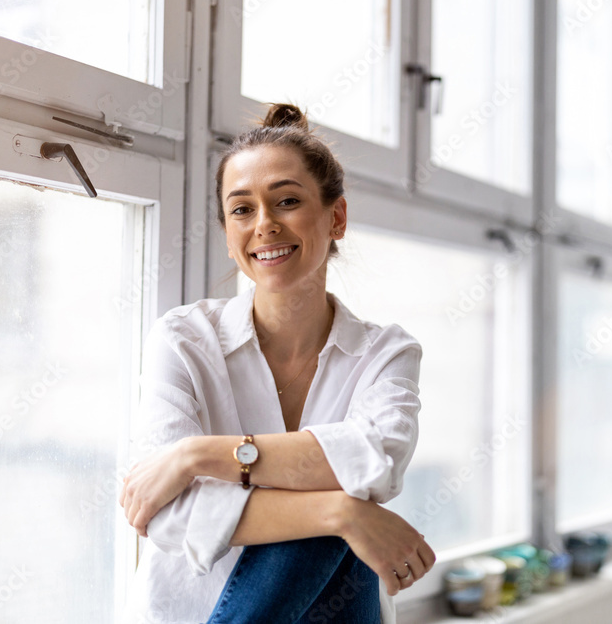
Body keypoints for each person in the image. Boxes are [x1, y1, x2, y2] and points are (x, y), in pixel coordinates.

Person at [118, 103, 436, 624]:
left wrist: (198, 456)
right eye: (242, 209)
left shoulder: (386, 353)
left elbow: (373, 463)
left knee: (342, 502)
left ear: (336, 218)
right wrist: (343, 513)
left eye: (287, 201)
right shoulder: (183, 339)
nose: (264, 225)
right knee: (336, 511)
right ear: (227, 232)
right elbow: (166, 513)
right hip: (189, 613)